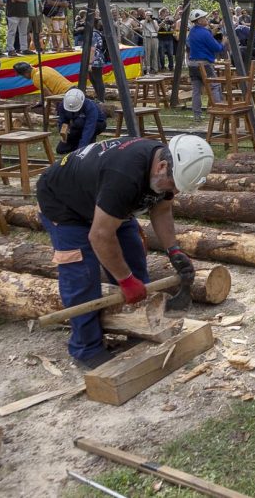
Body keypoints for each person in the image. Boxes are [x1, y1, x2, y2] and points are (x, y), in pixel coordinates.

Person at [36, 134, 214, 367]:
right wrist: (125, 280)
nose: (174, 192)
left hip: (109, 203)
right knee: (82, 275)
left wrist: (173, 250)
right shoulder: (124, 176)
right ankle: (86, 347)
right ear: (161, 167)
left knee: (133, 258)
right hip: (65, 205)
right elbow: (99, 236)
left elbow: (161, 211)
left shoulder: (168, 169)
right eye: (174, 186)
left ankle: (136, 326)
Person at [186, 9, 225, 122]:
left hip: (193, 64)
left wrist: (215, 29)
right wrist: (223, 42)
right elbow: (217, 48)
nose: (206, 19)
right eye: (204, 18)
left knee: (196, 90)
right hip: (205, 64)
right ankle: (218, 112)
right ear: (199, 20)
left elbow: (204, 36)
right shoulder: (204, 33)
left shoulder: (193, 31)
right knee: (215, 87)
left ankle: (197, 115)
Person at [56, 88, 106, 155]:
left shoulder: (90, 106)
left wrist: (81, 149)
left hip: (97, 125)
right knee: (61, 149)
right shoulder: (63, 105)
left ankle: (89, 144)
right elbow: (63, 122)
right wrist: (64, 134)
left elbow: (89, 128)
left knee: (81, 125)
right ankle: (77, 144)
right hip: (78, 125)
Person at [140, 10, 160, 74]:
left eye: (150, 15)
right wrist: (146, 20)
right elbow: (142, 28)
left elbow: (157, 30)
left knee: (154, 54)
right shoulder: (142, 21)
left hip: (154, 38)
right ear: (145, 16)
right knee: (147, 54)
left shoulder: (154, 21)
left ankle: (155, 69)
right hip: (147, 38)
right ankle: (147, 68)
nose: (149, 16)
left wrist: (152, 21)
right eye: (148, 15)